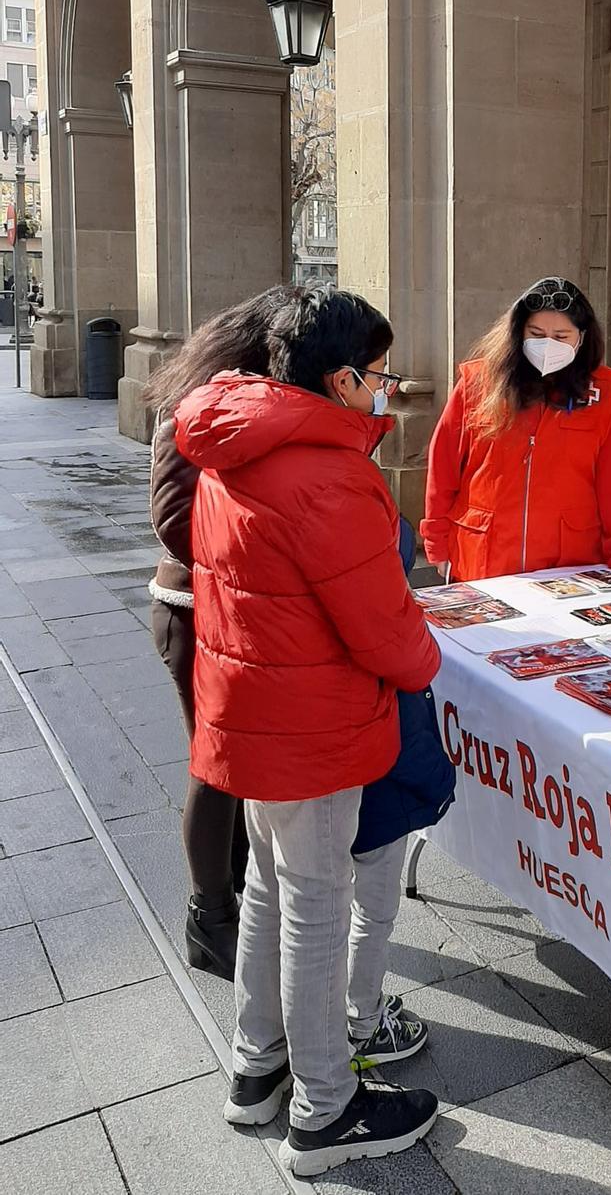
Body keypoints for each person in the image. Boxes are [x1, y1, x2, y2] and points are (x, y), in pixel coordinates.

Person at [175, 287, 441, 1178]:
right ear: (340, 377)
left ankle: (259, 1065)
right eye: (376, 374)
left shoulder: (236, 442)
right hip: (314, 726)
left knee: (268, 891)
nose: (384, 390)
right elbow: (383, 626)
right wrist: (426, 660)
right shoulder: (324, 469)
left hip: (251, 716)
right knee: (317, 907)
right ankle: (326, 1107)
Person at [145, 288, 287, 980]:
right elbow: (172, 517)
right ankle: (211, 917)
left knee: (233, 766)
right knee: (214, 762)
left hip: (238, 613)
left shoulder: (263, 404)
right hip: (192, 610)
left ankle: (238, 892)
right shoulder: (193, 408)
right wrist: (256, 551)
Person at [421, 275, 611, 580]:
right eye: (537, 333)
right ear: (519, 333)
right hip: (483, 554)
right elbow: (445, 465)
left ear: (581, 338)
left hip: (568, 563)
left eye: (561, 336)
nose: (548, 345)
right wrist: (436, 540)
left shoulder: (609, 395)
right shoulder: (479, 383)